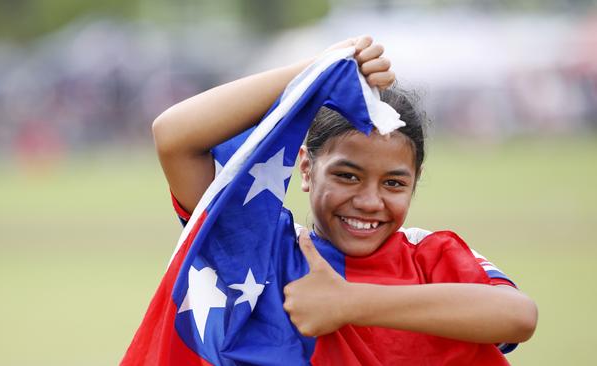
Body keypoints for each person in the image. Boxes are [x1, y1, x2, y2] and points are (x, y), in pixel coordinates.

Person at [151, 36, 538, 365]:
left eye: (394, 183)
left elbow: (519, 316)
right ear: (306, 168)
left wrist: (348, 302)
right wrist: (317, 71)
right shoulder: (263, 253)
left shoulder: (430, 256)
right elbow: (173, 136)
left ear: (414, 183)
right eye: (347, 176)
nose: (370, 201)